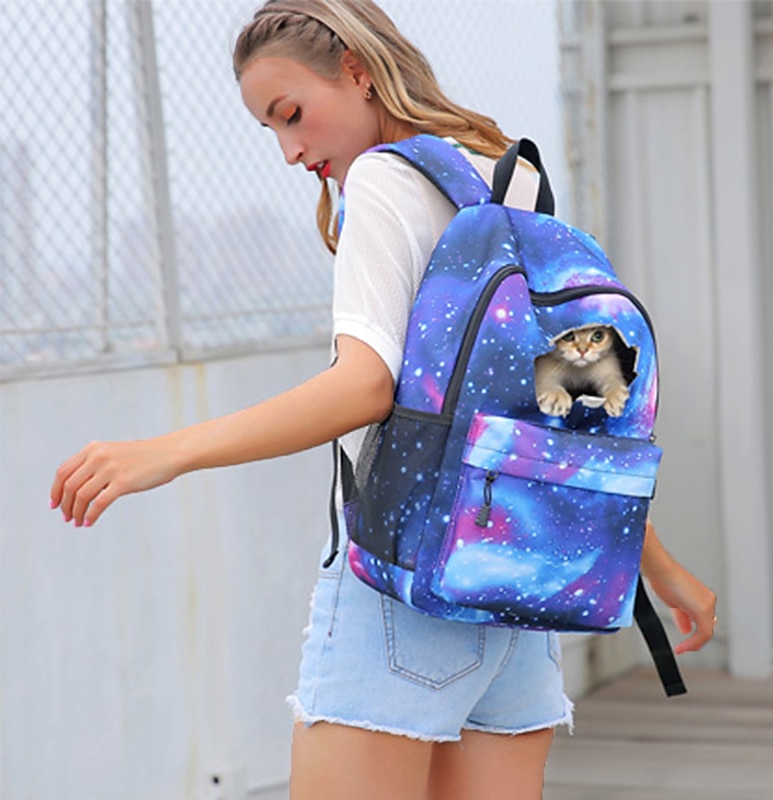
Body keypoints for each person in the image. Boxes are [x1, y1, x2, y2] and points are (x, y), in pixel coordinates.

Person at [50, 2, 718, 798]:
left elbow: (364, 385)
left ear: (358, 71)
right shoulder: (505, 175)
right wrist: (657, 566)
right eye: (269, 130)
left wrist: (164, 452)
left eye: (291, 114)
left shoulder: (383, 178)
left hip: (406, 588)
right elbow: (558, 420)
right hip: (521, 593)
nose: (290, 151)